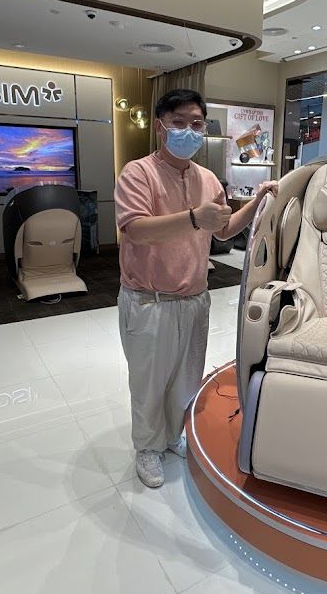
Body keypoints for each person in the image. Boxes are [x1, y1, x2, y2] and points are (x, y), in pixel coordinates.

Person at [114, 88, 277, 488]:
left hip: (195, 298)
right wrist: (192, 218)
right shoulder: (138, 173)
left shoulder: (207, 179)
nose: (189, 131)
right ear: (160, 126)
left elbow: (221, 231)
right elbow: (135, 229)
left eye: (197, 124)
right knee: (149, 381)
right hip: (148, 300)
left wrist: (256, 202)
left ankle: (171, 435)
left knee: (186, 377)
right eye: (179, 123)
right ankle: (147, 447)